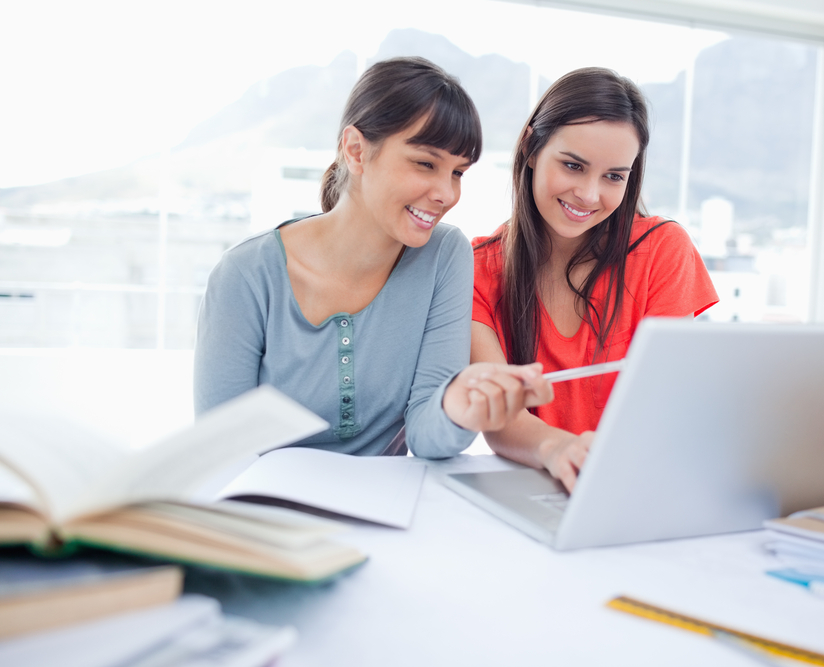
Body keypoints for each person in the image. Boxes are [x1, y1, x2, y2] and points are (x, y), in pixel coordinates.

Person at [194, 57, 552, 459]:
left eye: (458, 173)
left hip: (386, 512)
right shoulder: (244, 276)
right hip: (264, 511)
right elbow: (218, 452)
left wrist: (458, 406)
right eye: (425, 163)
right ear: (356, 151)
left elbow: (426, 436)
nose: (447, 194)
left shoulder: (445, 255)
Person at [471, 67, 718, 490]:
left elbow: (665, 400)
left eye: (614, 177)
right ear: (531, 148)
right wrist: (558, 450)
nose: (588, 195)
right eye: (572, 165)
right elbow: (501, 417)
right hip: (542, 486)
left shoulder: (662, 250)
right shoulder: (477, 267)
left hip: (638, 483)